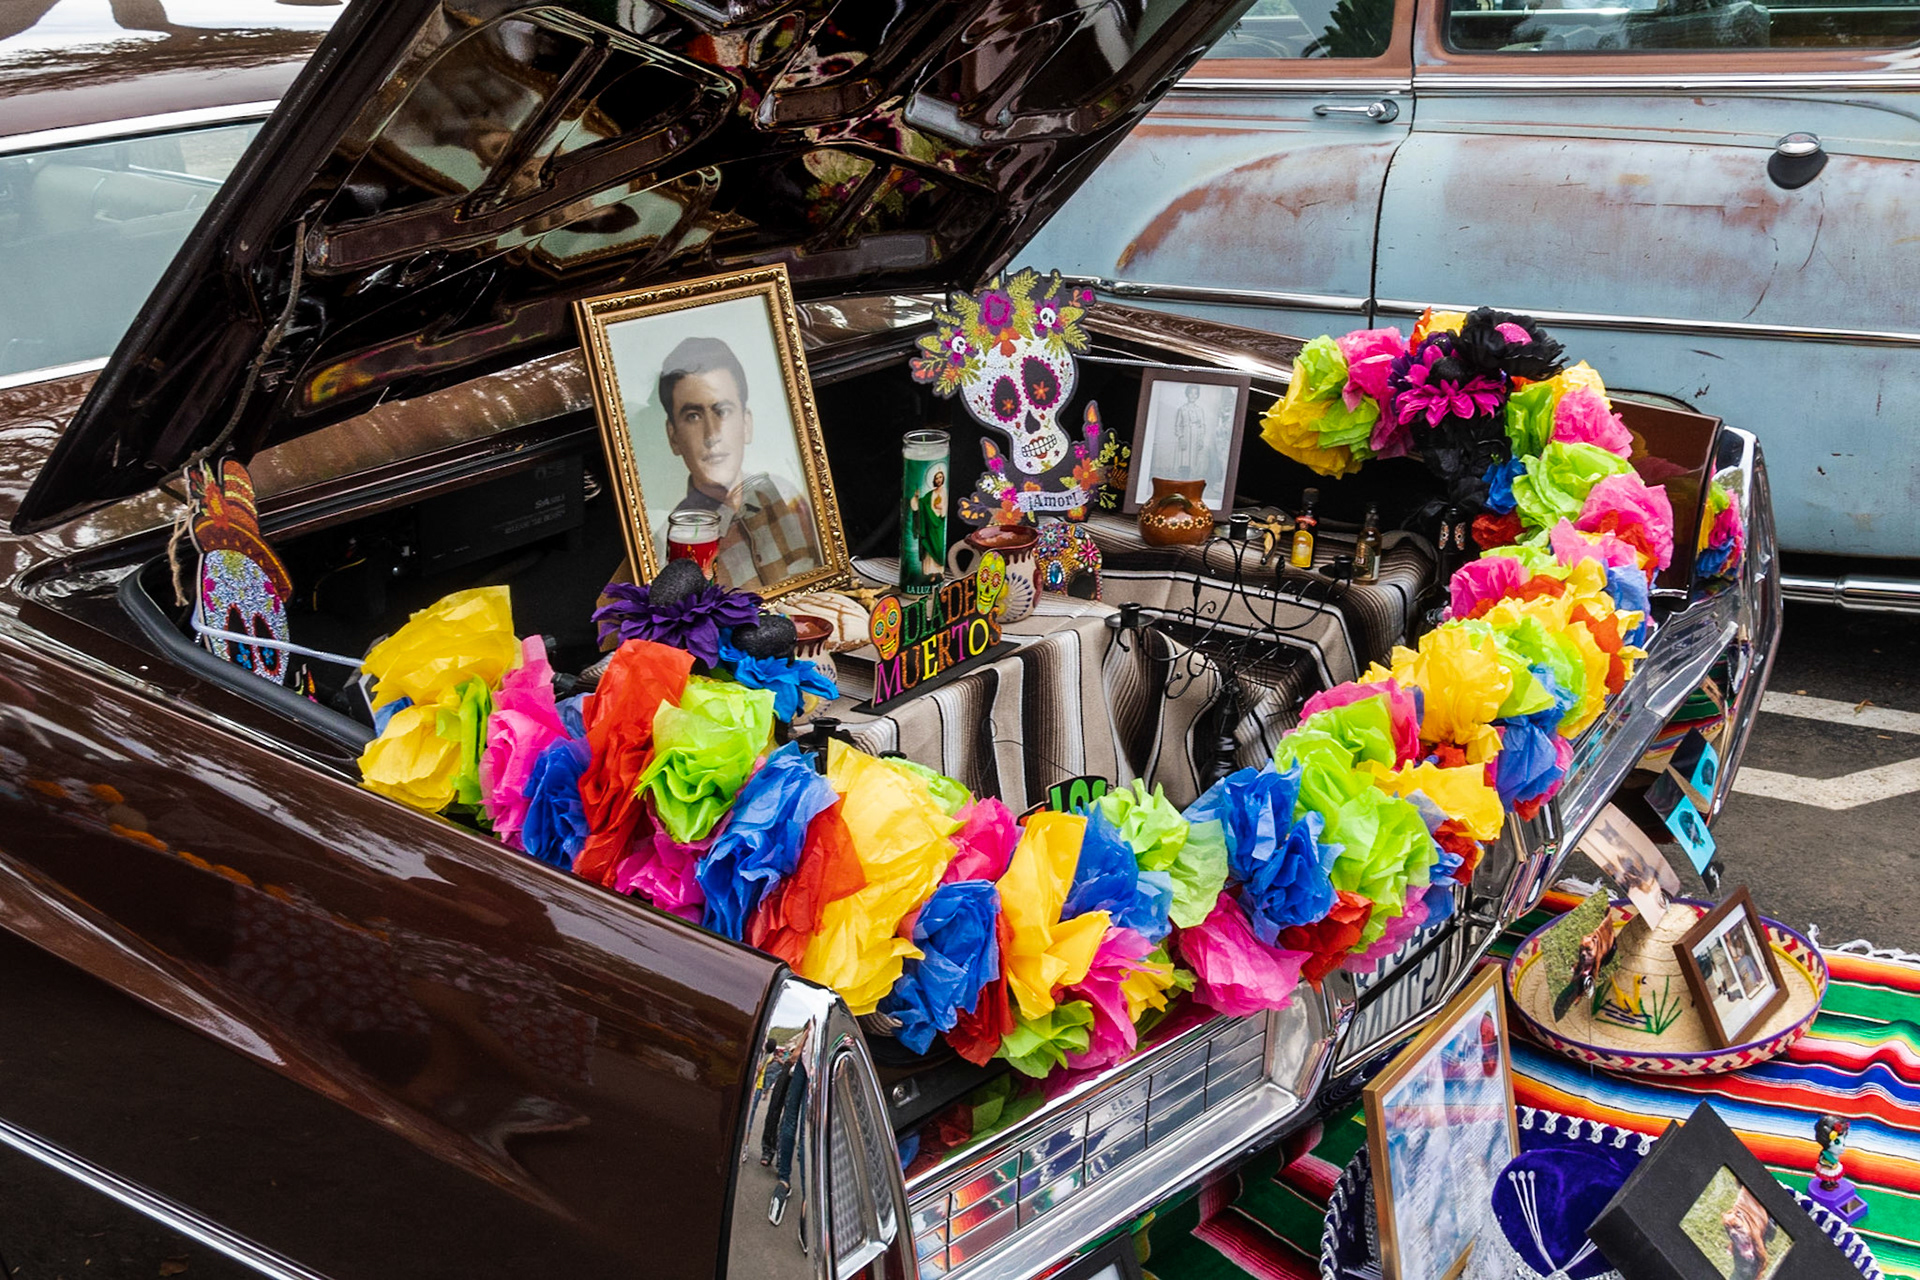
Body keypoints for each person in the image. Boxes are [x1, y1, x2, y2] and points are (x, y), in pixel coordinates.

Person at [655, 336, 819, 589]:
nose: (712, 435)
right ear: (673, 436)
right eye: (693, 416)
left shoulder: (787, 496)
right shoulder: (666, 541)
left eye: (723, 411)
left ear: (746, 424)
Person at [1170, 383, 1207, 474]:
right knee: (1184, 457)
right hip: (1185, 435)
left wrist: (1201, 439)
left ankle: (1192, 475)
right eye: (1191, 393)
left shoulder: (1199, 410)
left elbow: (1202, 425)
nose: (1193, 396)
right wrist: (1181, 437)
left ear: (1198, 395)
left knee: (1193, 457)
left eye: (1195, 393)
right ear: (1187, 394)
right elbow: (1177, 425)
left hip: (1195, 436)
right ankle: (1182, 474)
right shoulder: (1182, 409)